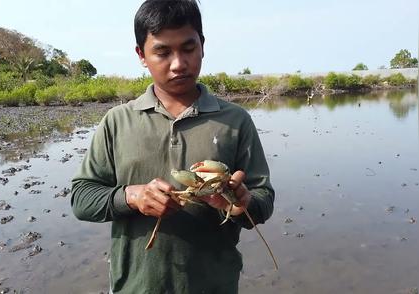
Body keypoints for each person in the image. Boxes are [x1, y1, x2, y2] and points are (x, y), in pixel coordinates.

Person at [71, 0, 275, 293]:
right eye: (163, 52)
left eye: (188, 48)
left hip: (214, 285)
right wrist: (133, 196)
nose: (179, 63)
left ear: (202, 45)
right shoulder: (117, 121)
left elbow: (263, 199)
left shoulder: (235, 120)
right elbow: (82, 198)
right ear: (141, 55)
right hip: (136, 285)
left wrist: (241, 202)